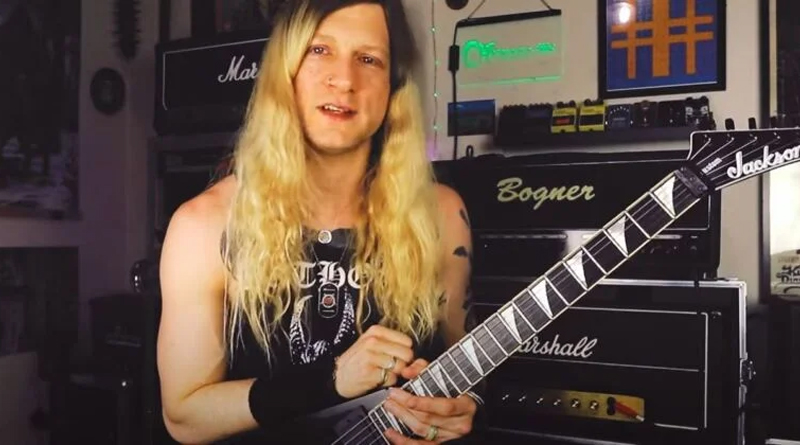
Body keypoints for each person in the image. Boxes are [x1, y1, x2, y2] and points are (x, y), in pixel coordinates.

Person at [157, 0, 480, 443]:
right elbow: (184, 417)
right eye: (319, 50)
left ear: (394, 85)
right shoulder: (203, 226)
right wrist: (331, 380)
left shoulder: (441, 217)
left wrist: (462, 408)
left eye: (369, 59)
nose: (344, 80)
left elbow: (465, 371)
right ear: (284, 72)